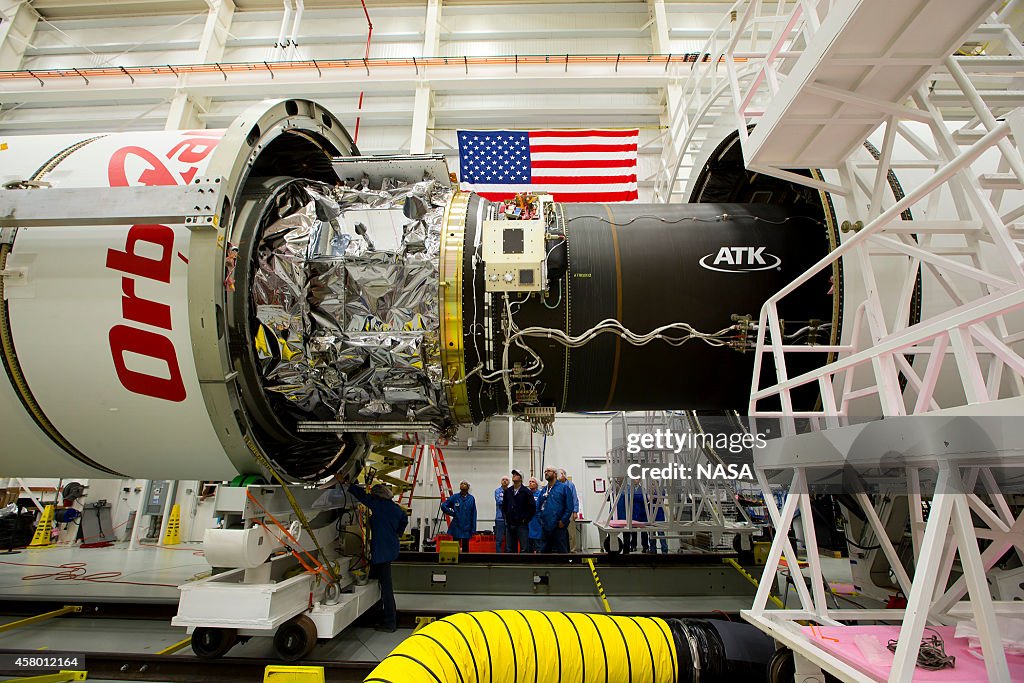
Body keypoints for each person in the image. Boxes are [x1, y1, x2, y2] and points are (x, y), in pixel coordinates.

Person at [347, 481, 408, 632]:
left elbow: (363, 496)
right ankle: (374, 615)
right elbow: (404, 521)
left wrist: (348, 484)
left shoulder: (379, 506)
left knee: (386, 587)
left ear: (377, 496)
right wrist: (396, 533)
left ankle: (389, 622)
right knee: (375, 580)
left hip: (382, 551)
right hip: (390, 548)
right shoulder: (396, 509)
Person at [537, 466, 572, 553]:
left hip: (558, 526)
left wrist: (563, 521)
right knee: (544, 552)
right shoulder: (544, 490)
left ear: (555, 474)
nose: (546, 473)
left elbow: (569, 507)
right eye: (545, 471)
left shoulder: (564, 488)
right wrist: (541, 520)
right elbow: (538, 506)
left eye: (548, 471)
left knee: (561, 552)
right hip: (545, 526)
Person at [501, 469, 535, 553]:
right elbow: (504, 506)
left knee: (524, 548)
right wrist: (506, 518)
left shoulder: (526, 492)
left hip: (521, 524)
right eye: (513, 474)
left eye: (516, 474)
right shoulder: (508, 491)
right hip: (510, 524)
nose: (514, 476)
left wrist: (525, 519)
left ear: (521, 478)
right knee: (509, 548)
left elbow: (532, 508)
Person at [441, 481, 477, 552]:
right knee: (455, 547)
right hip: (457, 526)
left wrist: (473, 528)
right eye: (462, 487)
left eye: (465, 486)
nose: (463, 489)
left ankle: (465, 562)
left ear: (468, 488)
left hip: (467, 526)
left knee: (465, 548)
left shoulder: (471, 499)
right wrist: (452, 513)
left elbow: (474, 514)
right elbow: (444, 506)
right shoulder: (455, 497)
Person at [558, 469, 581, 552]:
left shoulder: (570, 485)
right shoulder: (556, 485)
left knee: (571, 533)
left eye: (559, 473)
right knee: (560, 533)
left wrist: (575, 512)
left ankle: (573, 550)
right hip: (559, 512)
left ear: (564, 475)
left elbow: (575, 498)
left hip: (569, 512)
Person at [527, 477, 543, 552]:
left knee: (538, 543)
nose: (530, 483)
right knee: (528, 544)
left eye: (532, 482)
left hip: (537, 521)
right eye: (529, 482)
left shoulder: (540, 494)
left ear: (537, 484)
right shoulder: (526, 493)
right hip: (528, 520)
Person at [494, 476, 509, 553]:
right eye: (503, 479)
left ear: (508, 482)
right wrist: (508, 502)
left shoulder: (511, 491)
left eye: (506, 480)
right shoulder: (497, 491)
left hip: (509, 518)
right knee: (499, 539)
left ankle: (507, 555)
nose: (504, 481)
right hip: (500, 518)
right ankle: (498, 555)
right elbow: (499, 501)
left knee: (508, 539)